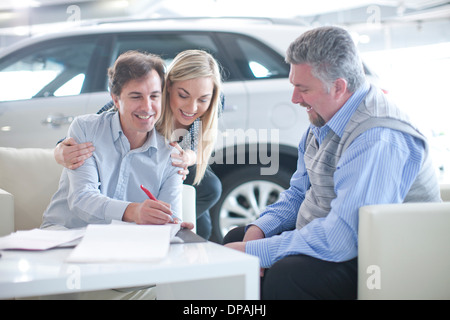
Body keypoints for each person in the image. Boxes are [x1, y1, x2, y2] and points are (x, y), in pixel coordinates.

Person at [223, 26, 441, 300]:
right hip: (334, 236)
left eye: (303, 89)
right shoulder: (324, 119)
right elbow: (298, 194)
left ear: (338, 86)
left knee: (286, 274)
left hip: (386, 259)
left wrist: (256, 252)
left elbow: (342, 238)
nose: (294, 99)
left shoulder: (377, 137)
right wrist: (259, 230)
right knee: (237, 236)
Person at [54, 49, 223, 240]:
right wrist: (60, 148)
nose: (192, 107)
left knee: (208, 197)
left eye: (202, 99)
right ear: (168, 88)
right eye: (183, 95)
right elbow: (98, 124)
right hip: (74, 233)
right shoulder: (96, 124)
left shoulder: (175, 147)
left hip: (173, 158)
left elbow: (199, 144)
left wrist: (187, 158)